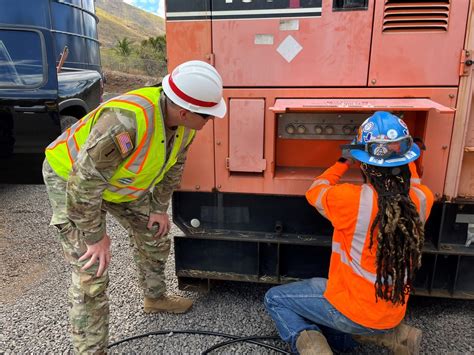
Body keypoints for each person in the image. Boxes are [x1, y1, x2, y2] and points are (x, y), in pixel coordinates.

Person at [42, 60, 227, 354]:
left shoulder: (185, 126)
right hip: (71, 180)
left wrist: (158, 208)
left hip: (115, 183)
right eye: (207, 115)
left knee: (154, 234)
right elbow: (84, 184)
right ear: (184, 111)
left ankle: (155, 298)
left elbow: (174, 168)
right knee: (92, 268)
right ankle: (91, 350)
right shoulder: (124, 122)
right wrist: (95, 237)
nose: (211, 121)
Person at [264, 111, 434, 355]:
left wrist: (343, 161)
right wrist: (399, 154)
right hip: (391, 311)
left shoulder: (351, 201)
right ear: (407, 158)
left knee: (275, 298)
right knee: (325, 292)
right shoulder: (422, 200)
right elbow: (413, 182)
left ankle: (314, 349)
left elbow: (316, 189)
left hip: (352, 310)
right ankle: (393, 336)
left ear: (364, 163)